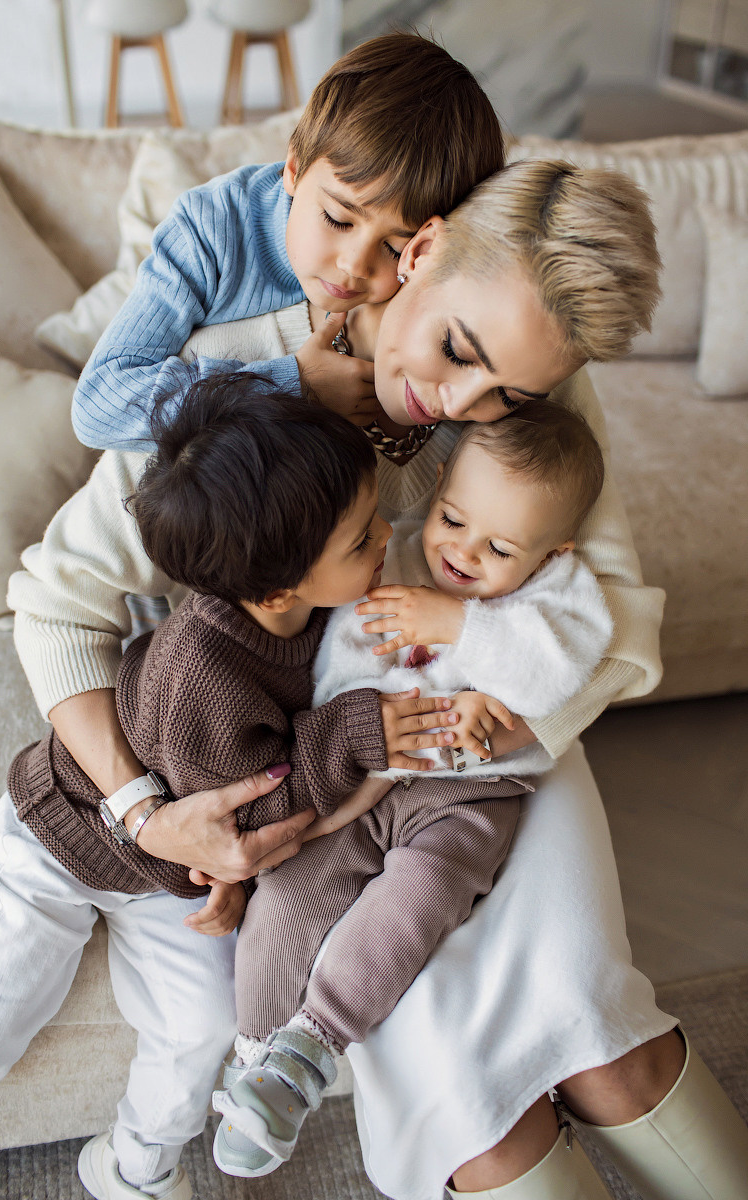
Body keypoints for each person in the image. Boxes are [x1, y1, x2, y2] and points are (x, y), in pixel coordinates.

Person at [7, 161, 748, 1198]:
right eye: (457, 350)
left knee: (608, 1052)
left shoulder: (535, 376)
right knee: (483, 1126)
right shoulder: (246, 380)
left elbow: (614, 623)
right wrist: (145, 814)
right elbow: (54, 607)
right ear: (422, 251)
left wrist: (481, 715)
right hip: (329, 775)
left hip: (498, 751)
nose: (462, 403)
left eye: (509, 394)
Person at [0, 375, 464, 1200]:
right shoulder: (203, 672)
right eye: (362, 537)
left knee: (203, 1025)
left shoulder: (315, 610)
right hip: (66, 834)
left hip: (168, 876)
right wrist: (357, 732)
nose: (386, 537)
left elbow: (230, 829)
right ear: (279, 589)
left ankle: (134, 1168)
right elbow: (245, 807)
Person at [212, 401, 614, 1178]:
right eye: (453, 520)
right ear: (438, 489)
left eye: (500, 548)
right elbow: (336, 666)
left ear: (553, 551)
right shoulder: (390, 553)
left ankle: (313, 1042)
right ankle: (258, 1062)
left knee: (422, 892)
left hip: (469, 795)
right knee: (285, 901)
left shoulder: (562, 595)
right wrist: (354, 755)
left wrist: (461, 628)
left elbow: (556, 672)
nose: (463, 552)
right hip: (364, 783)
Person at [70, 31, 504, 451]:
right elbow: (99, 404)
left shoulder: (432, 289)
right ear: (293, 168)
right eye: (338, 220)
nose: (355, 265)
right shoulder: (211, 230)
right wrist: (292, 385)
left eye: (395, 248)